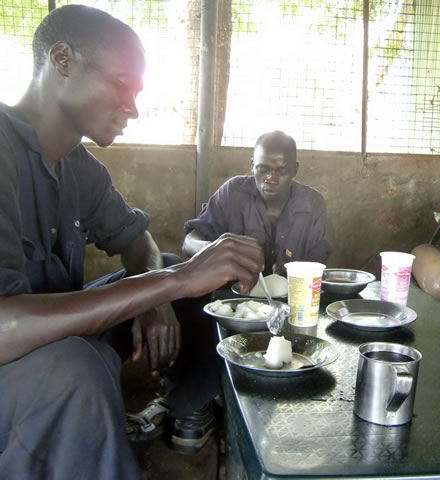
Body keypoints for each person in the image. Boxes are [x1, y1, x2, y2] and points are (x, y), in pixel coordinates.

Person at [0, 5, 264, 479]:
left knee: (174, 276)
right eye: (123, 85)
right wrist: (170, 281)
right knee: (76, 369)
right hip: (16, 353)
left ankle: (185, 411)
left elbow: (134, 237)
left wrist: (157, 285)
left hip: (50, 341)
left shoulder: (79, 167)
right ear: (62, 59)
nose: (134, 109)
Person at [182, 130, 331, 274]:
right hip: (232, 294)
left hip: (292, 294)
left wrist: (295, 271)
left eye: (282, 170)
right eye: (262, 169)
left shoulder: (312, 204)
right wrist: (216, 250)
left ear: (295, 170)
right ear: (252, 165)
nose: (271, 178)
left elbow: (319, 257)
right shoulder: (232, 193)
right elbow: (189, 242)